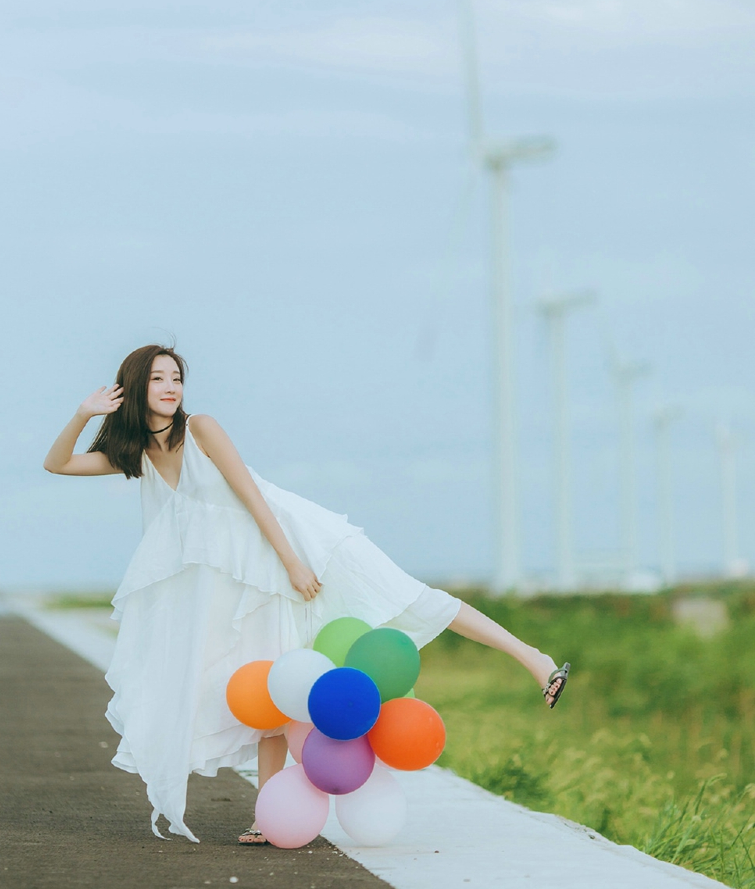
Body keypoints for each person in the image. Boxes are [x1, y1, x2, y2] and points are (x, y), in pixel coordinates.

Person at [44, 343, 570, 845]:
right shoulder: (136, 453)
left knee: (412, 600)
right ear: (135, 387)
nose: (170, 387)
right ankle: (269, 813)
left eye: (176, 377)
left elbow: (252, 496)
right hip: (251, 577)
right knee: (273, 680)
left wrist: (294, 562)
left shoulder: (201, 428)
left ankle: (534, 659)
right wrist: (84, 413)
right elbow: (57, 463)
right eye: (158, 378)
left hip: (303, 545)